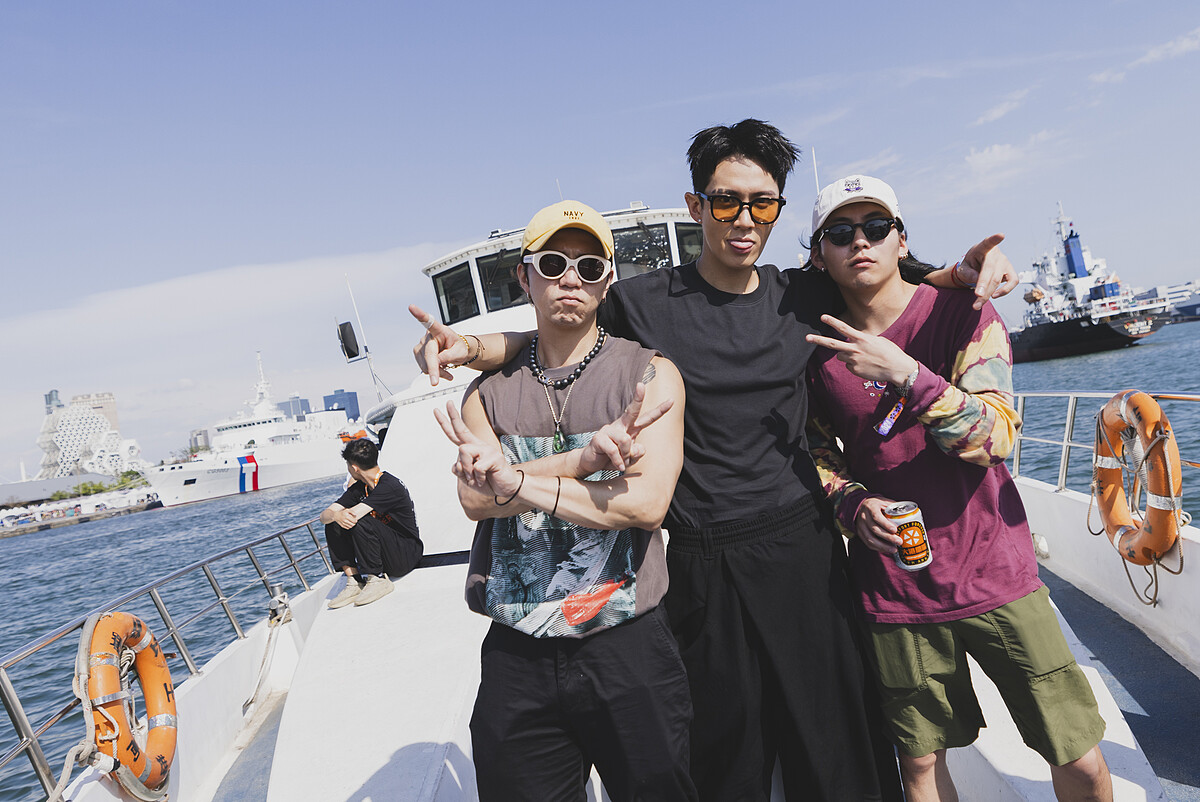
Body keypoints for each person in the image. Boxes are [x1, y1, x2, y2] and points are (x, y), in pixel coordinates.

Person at [411, 120, 1019, 801]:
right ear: (696, 205)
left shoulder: (802, 295)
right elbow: (561, 325)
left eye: (764, 204)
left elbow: (886, 282)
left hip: (804, 552)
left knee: (838, 759)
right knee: (725, 767)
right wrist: (470, 349)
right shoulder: (644, 302)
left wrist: (964, 274)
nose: (745, 220)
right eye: (726, 202)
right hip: (702, 563)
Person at [804, 174, 1112, 802]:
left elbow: (995, 437)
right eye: (840, 232)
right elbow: (812, 452)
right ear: (819, 256)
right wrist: (851, 504)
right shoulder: (815, 349)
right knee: (920, 767)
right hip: (896, 592)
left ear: (901, 240)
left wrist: (908, 374)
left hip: (995, 573)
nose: (859, 241)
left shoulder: (963, 314)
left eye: (876, 227)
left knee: (1077, 756)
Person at [433, 200, 694, 800]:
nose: (570, 278)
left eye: (589, 266)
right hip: (517, 649)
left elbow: (644, 505)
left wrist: (513, 482)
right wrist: (581, 464)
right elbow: (474, 500)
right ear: (524, 277)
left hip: (628, 641)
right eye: (552, 264)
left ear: (607, 280)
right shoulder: (487, 393)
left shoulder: (650, 376)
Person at [320, 438, 423, 608]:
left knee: (358, 520)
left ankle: (378, 579)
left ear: (354, 468)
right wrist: (335, 516)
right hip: (385, 553)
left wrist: (339, 515)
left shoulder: (389, 486)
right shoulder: (361, 488)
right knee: (334, 522)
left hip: (406, 554)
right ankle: (354, 581)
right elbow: (324, 515)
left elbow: (354, 515)